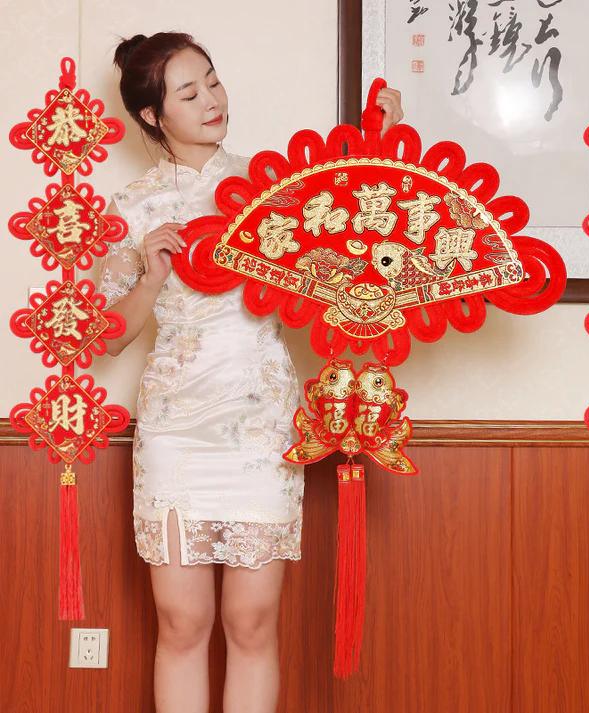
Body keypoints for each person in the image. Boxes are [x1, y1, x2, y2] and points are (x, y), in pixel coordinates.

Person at [99, 31, 404, 713]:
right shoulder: (134, 207)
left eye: (212, 80)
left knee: (252, 622)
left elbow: (357, 259)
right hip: (176, 432)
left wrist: (381, 148)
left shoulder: (274, 188)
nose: (211, 99)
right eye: (188, 93)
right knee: (182, 623)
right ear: (151, 115)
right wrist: (151, 278)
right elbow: (107, 337)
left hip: (260, 427)